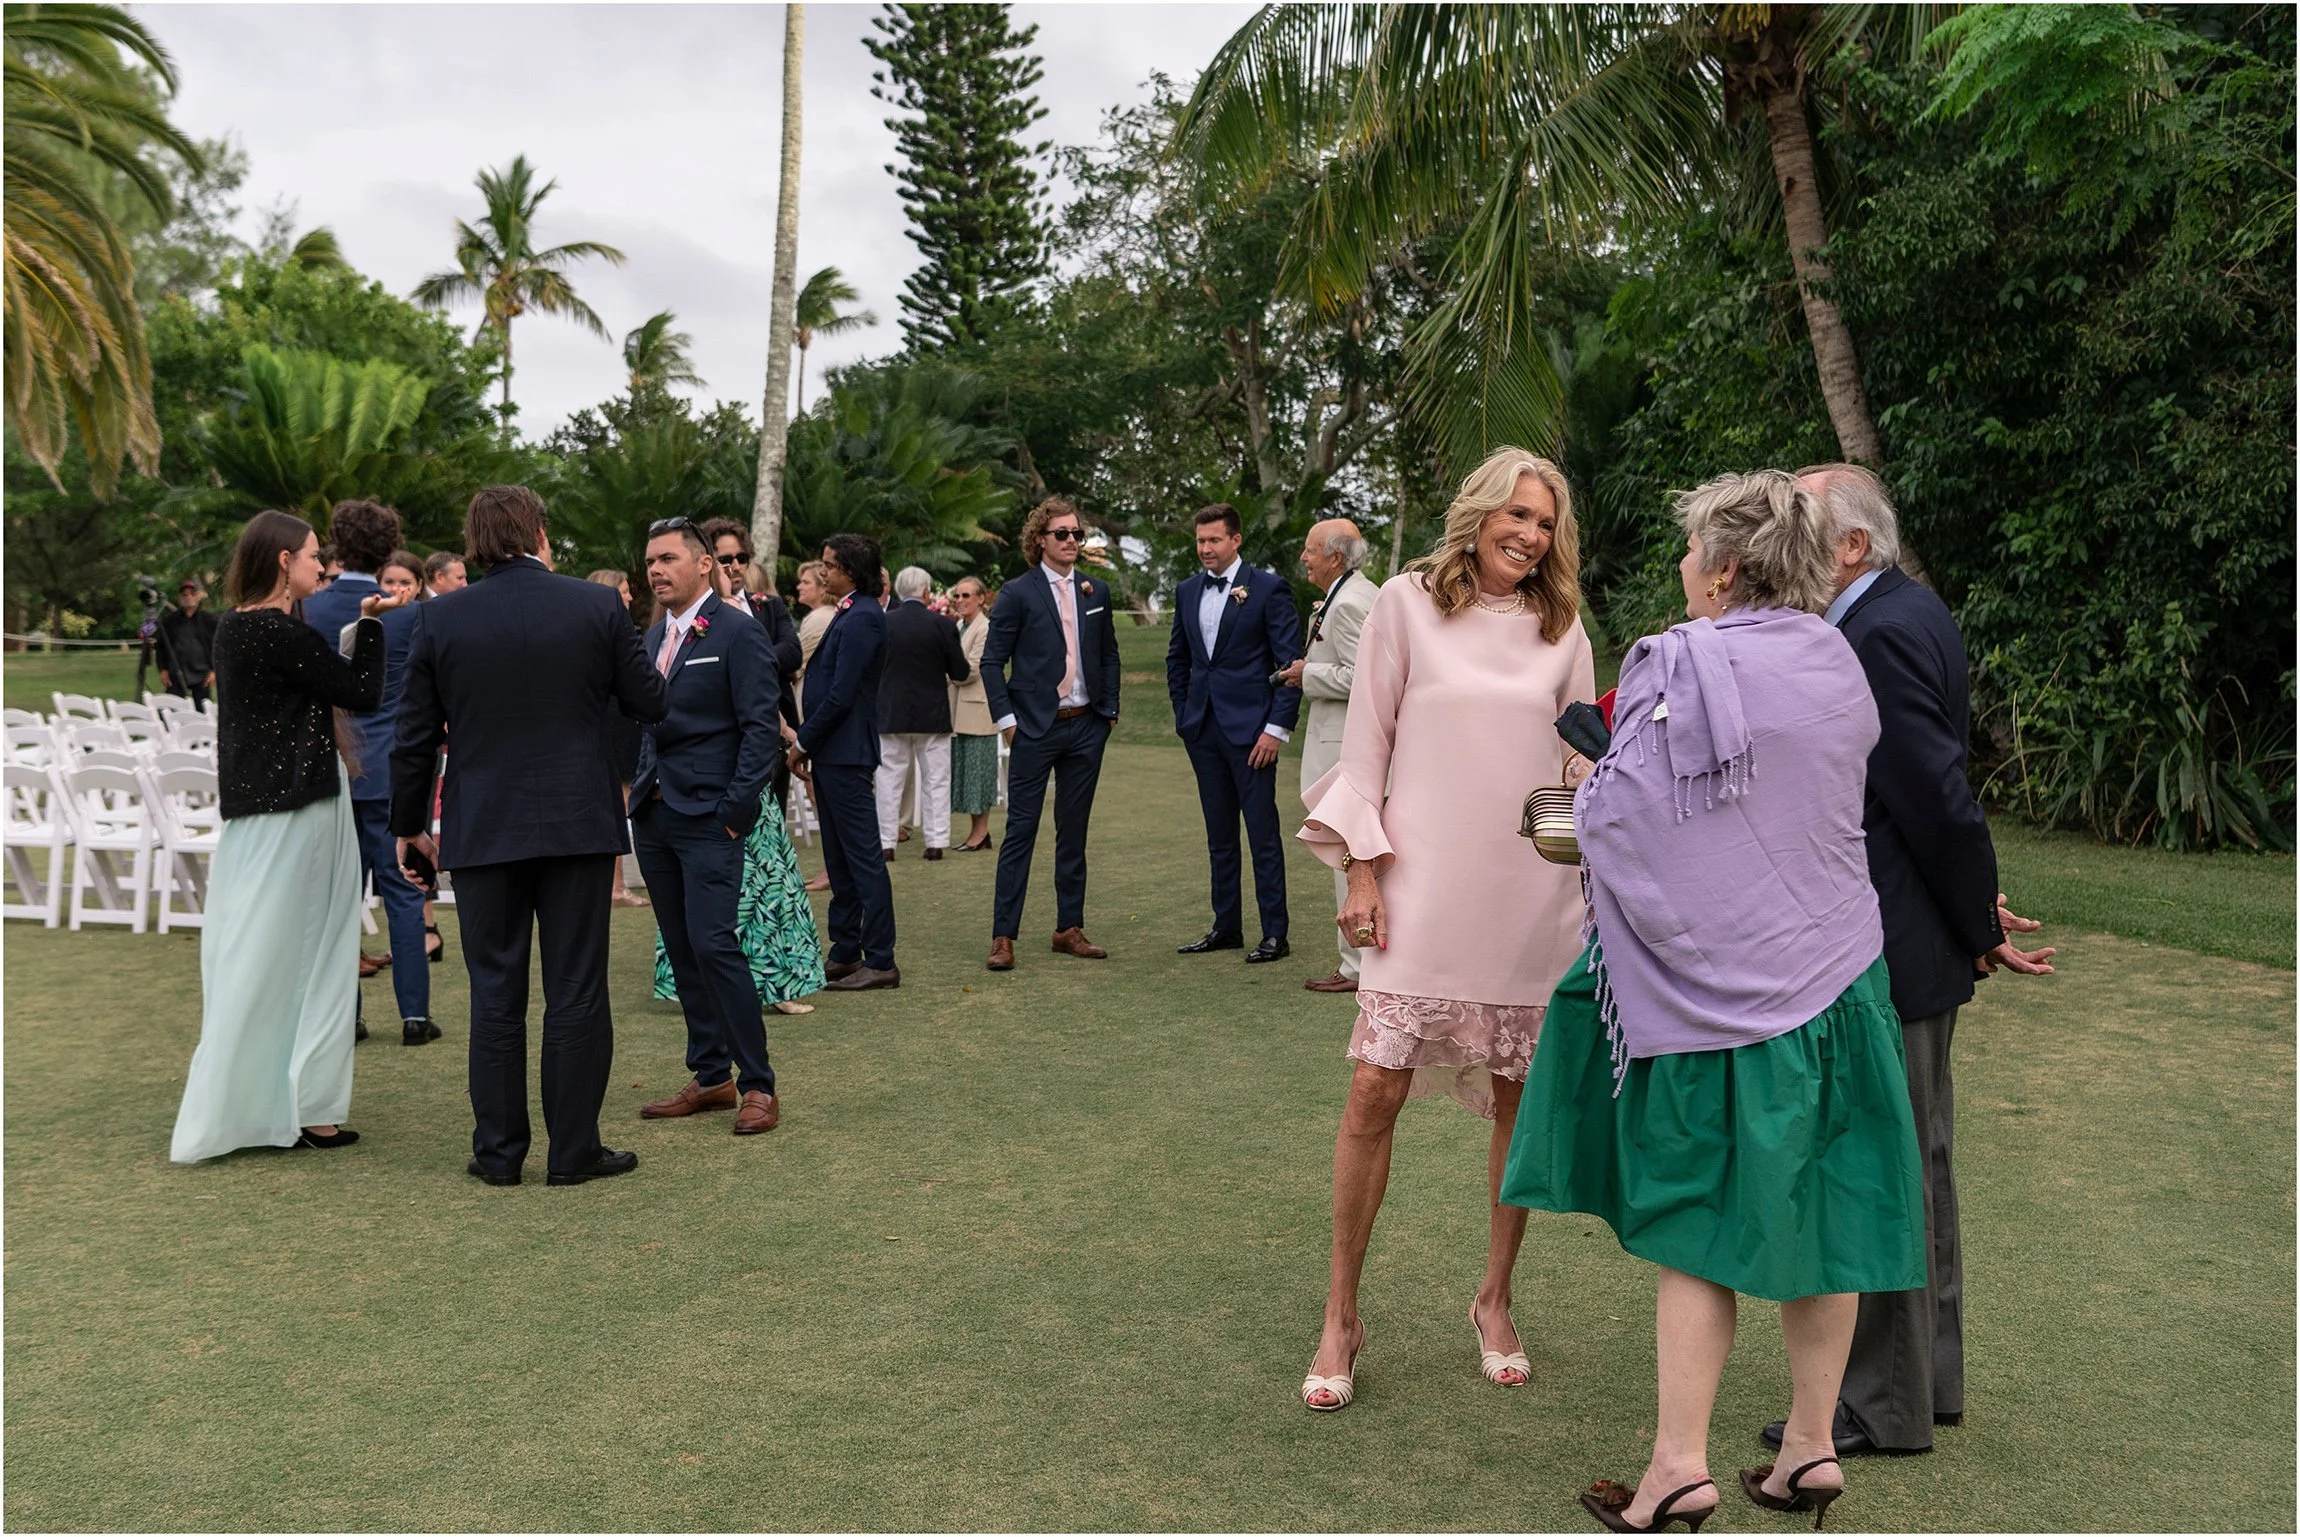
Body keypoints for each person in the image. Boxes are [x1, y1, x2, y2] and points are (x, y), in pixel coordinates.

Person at [1501, 470, 1929, 1534]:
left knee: (1699, 1229)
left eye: (1692, 553)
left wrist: (1588, 780)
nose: (1684, 573)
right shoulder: (1836, 657)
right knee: (1820, 1222)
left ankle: (1675, 1471)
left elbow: (1616, 821)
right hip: (1838, 981)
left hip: (1713, 996)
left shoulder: (1672, 663)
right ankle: (1809, 1446)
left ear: (1724, 568)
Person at [1754, 465, 2057, 1460]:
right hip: (1908, 926)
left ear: (1849, 545)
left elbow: (1930, 792)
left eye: (1801, 522)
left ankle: (1880, 1403)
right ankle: (1917, 1386)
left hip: (1886, 939)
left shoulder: (1876, 628)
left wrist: (1975, 918)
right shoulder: (1896, 610)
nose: (1780, 538)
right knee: (1911, 1160)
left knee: (1882, 1166)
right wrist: (1970, 911)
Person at [1293, 451, 1596, 1413]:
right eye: (1515, 513)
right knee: (1376, 1085)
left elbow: (1582, 760)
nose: (1529, 534)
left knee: (1518, 1095)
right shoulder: (1407, 604)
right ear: (1477, 513)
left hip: (1531, 891)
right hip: (1417, 884)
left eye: (1544, 522)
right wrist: (1361, 868)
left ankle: (1495, 1299)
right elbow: (1365, 743)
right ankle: (1341, 1313)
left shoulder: (1563, 625)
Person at [391, 485, 668, 1187]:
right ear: (539, 533)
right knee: (575, 987)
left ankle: (499, 1152)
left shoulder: (440, 617)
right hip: (576, 819)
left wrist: (407, 827)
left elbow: (414, 737)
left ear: (475, 540)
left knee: (495, 991)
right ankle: (573, 1150)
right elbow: (649, 700)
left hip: (484, 822)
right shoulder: (596, 605)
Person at [171, 511, 396, 1162]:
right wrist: (373, 625)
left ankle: (282, 1104)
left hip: (259, 811)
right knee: (316, 956)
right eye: (311, 556)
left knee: (257, 954)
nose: (321, 566)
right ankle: (307, 1109)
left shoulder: (235, 629)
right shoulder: (275, 632)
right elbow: (362, 690)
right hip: (301, 809)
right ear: (282, 563)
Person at [625, 520, 787, 1135]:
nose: (656, 570)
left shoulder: (738, 632)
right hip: (656, 815)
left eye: (667, 558)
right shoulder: (649, 638)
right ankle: (711, 1073)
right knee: (684, 947)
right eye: (649, 562)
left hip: (711, 818)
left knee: (715, 943)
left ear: (702, 566)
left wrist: (734, 812)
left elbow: (760, 730)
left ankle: (759, 1085)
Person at [304, 501, 437, 1046]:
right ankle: (414, 1016)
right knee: (403, 893)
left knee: (339, 899)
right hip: (388, 769)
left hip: (330, 769)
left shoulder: (307, 607)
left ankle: (349, 1017)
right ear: (387, 550)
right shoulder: (410, 615)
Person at [980, 499, 1120, 970]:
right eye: (1061, 534)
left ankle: (1068, 928)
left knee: (1073, 832)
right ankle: (1003, 936)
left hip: (1086, 725)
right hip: (1033, 729)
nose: (1071, 542)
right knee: (1020, 831)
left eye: (1076, 534)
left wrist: (1109, 712)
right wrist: (1008, 723)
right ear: (1040, 539)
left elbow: (1109, 654)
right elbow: (990, 662)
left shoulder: (1095, 590)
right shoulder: (1017, 592)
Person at [1167, 503, 1301, 963]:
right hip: (1202, 729)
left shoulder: (1268, 589)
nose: (1205, 548)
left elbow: (1288, 667)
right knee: (1218, 833)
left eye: (1214, 540)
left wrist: (1276, 729)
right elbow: (1178, 659)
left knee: (1262, 832)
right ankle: (1225, 926)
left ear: (1235, 540)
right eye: (1200, 541)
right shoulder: (1187, 591)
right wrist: (1184, 714)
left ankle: (1274, 934)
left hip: (1253, 734)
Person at [789, 533, 898, 990]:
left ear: (850, 570)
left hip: (846, 751)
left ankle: (881, 958)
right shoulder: (851, 612)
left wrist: (802, 742)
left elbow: (842, 693)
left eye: (830, 565)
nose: (823, 572)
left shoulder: (865, 617)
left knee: (862, 856)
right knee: (838, 855)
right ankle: (846, 949)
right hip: (834, 751)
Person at [1279, 518, 1379, 993]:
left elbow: (1364, 676)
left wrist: (1307, 675)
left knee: (1349, 853)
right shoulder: (1348, 593)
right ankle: (1361, 958)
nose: (1304, 557)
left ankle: (1358, 965)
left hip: (1344, 746)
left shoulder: (1353, 602)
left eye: (1310, 549)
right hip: (1338, 741)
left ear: (1335, 557)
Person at [875, 566, 972, 862]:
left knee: (888, 781)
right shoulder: (942, 625)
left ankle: (885, 842)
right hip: (932, 713)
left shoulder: (883, 624)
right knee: (936, 780)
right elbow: (959, 671)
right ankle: (936, 841)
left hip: (891, 712)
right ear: (927, 592)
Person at [588, 569, 650, 909]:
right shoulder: (612, 631)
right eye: (624, 591)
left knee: (617, 806)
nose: (629, 597)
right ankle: (615, 886)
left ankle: (615, 884)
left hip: (617, 723)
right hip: (616, 725)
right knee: (619, 806)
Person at [791, 560, 836, 893]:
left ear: (822, 587)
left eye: (806, 582)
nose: (799, 587)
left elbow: (795, 666)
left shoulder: (818, 621)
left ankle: (830, 868)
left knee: (820, 795)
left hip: (813, 715)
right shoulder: (824, 618)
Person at [947, 576, 998, 853]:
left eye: (966, 595)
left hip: (978, 711)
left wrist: (946, 674)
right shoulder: (957, 627)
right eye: (957, 596)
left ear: (981, 599)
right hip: (957, 711)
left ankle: (981, 833)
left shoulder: (986, 629)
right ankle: (976, 832)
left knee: (979, 776)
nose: (960, 601)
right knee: (966, 775)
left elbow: (974, 669)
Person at [156, 578, 220, 709]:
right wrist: (163, 669)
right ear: (180, 598)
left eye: (192, 594)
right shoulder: (169, 621)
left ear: (198, 597)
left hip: (201, 673)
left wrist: (214, 670)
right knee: (171, 708)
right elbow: (161, 646)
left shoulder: (210, 620)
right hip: (176, 672)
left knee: (202, 709)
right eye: (185, 595)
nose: (188, 597)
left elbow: (218, 646)